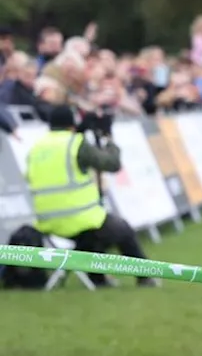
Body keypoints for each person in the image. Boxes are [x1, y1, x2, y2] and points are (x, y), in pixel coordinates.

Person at [25, 104, 159, 288]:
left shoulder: (36, 148)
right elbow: (112, 164)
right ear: (72, 125)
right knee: (122, 229)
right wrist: (108, 138)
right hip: (79, 217)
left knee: (91, 237)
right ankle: (145, 276)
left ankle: (98, 279)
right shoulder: (75, 143)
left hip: (46, 222)